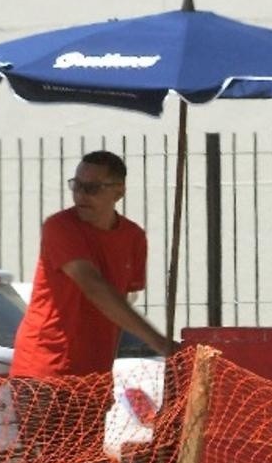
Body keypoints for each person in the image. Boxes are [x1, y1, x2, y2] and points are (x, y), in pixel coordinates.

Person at [10, 151, 174, 378]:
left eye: (92, 188)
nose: (81, 196)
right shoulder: (60, 226)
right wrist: (160, 343)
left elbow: (123, 299)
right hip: (46, 365)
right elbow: (92, 285)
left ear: (119, 191)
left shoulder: (133, 236)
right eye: (77, 186)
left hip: (95, 371)